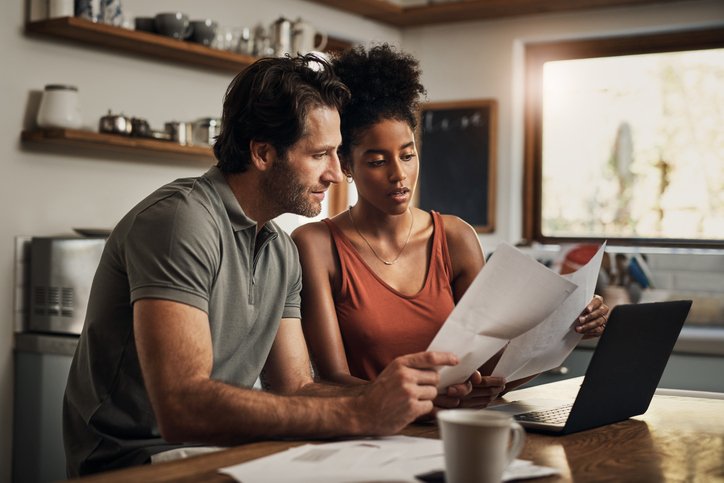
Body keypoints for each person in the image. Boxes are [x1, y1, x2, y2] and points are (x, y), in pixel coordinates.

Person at [62, 54, 468, 477]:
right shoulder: (181, 221)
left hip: (221, 453)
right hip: (134, 462)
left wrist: (400, 399)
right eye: (320, 155)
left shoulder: (279, 249)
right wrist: (358, 414)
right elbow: (182, 407)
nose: (335, 173)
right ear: (262, 152)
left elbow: (298, 388)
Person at [291, 44, 609, 410]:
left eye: (408, 155)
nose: (399, 175)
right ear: (346, 164)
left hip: (457, 429)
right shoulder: (316, 245)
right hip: (370, 435)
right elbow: (332, 380)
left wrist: (569, 329)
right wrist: (424, 400)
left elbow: (492, 368)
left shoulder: (455, 237)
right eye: (377, 161)